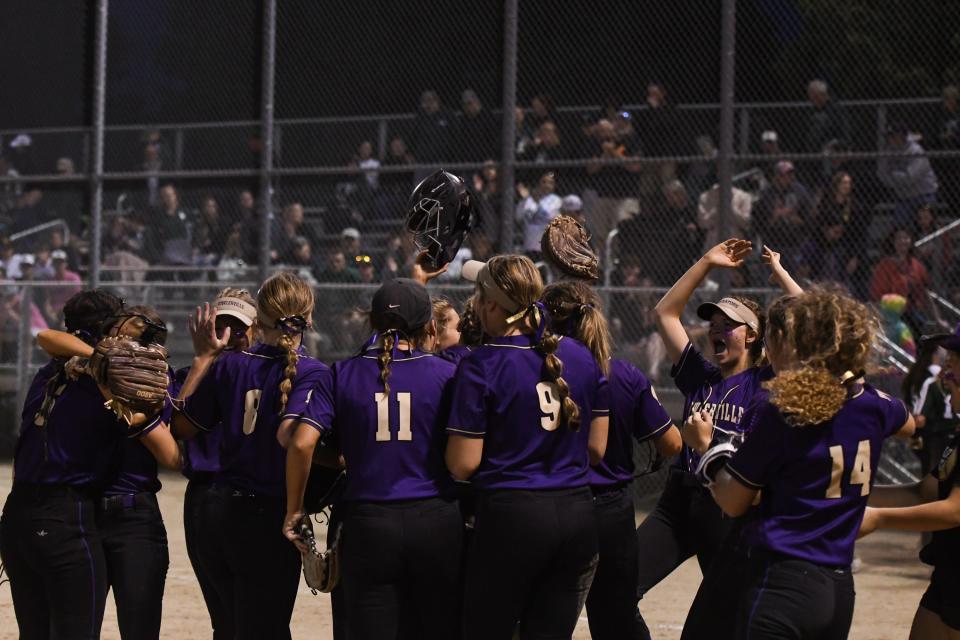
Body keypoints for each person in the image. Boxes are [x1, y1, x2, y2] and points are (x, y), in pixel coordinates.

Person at [685, 288, 914, 639]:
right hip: (839, 586)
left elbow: (733, 500)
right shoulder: (876, 405)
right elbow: (912, 426)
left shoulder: (787, 412)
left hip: (784, 580)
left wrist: (707, 449)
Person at [635, 240, 802, 635]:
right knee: (616, 585)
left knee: (720, 625)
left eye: (730, 325)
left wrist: (780, 275)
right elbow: (665, 313)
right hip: (678, 502)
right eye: (714, 324)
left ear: (754, 336)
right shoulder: (700, 375)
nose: (717, 330)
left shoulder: (767, 383)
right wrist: (707, 262)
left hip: (730, 509)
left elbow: (816, 325)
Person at [284, 278, 462, 639]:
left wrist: (294, 509)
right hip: (435, 520)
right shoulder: (448, 374)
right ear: (428, 326)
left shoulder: (342, 373)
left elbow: (301, 443)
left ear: (372, 323)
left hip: (368, 522)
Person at [444, 255, 610, 639]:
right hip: (577, 513)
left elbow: (463, 465)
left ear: (490, 304)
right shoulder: (580, 355)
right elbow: (596, 449)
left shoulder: (482, 364)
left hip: (513, 518)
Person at [172, 272, 335, 640]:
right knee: (268, 629)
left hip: (217, 514)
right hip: (266, 516)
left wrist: (202, 359)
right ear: (308, 319)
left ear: (258, 321)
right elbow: (296, 440)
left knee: (229, 628)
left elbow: (182, 426)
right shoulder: (314, 373)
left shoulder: (228, 364)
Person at [541, 280, 680, 640]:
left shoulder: (533, 369)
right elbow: (671, 444)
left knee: (545, 612)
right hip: (609, 510)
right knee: (615, 617)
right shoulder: (621, 373)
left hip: (552, 502)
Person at [35, 306, 182, 640]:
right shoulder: (87, 369)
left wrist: (135, 413)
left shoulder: (158, 380)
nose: (115, 340)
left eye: (125, 335)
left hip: (135, 516)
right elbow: (45, 336)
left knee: (139, 627)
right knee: (76, 629)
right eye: (114, 333)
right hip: (84, 514)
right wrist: (99, 364)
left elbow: (173, 457)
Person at [0, 290, 128, 639]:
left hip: (18, 516)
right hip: (65, 517)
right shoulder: (103, 380)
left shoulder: (48, 372)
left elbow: (49, 337)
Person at [860, 324, 960, 638]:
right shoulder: (957, 438)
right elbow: (924, 492)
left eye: (953, 366)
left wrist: (877, 519)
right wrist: (848, 496)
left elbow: (955, 510)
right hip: (949, 578)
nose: (945, 376)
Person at [178, 288, 258, 640]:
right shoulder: (193, 373)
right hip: (207, 495)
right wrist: (202, 360)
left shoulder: (267, 373)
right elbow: (176, 424)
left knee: (260, 614)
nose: (228, 337)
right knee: (224, 615)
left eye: (239, 328)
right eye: (220, 326)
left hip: (255, 495)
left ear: (257, 330)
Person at [870, 227, 940, 338]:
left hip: (914, 314)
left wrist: (938, 319)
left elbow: (925, 294)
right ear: (892, 242)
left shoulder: (916, 265)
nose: (903, 241)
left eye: (906, 237)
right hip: (893, 316)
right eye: (899, 238)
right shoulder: (884, 266)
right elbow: (877, 297)